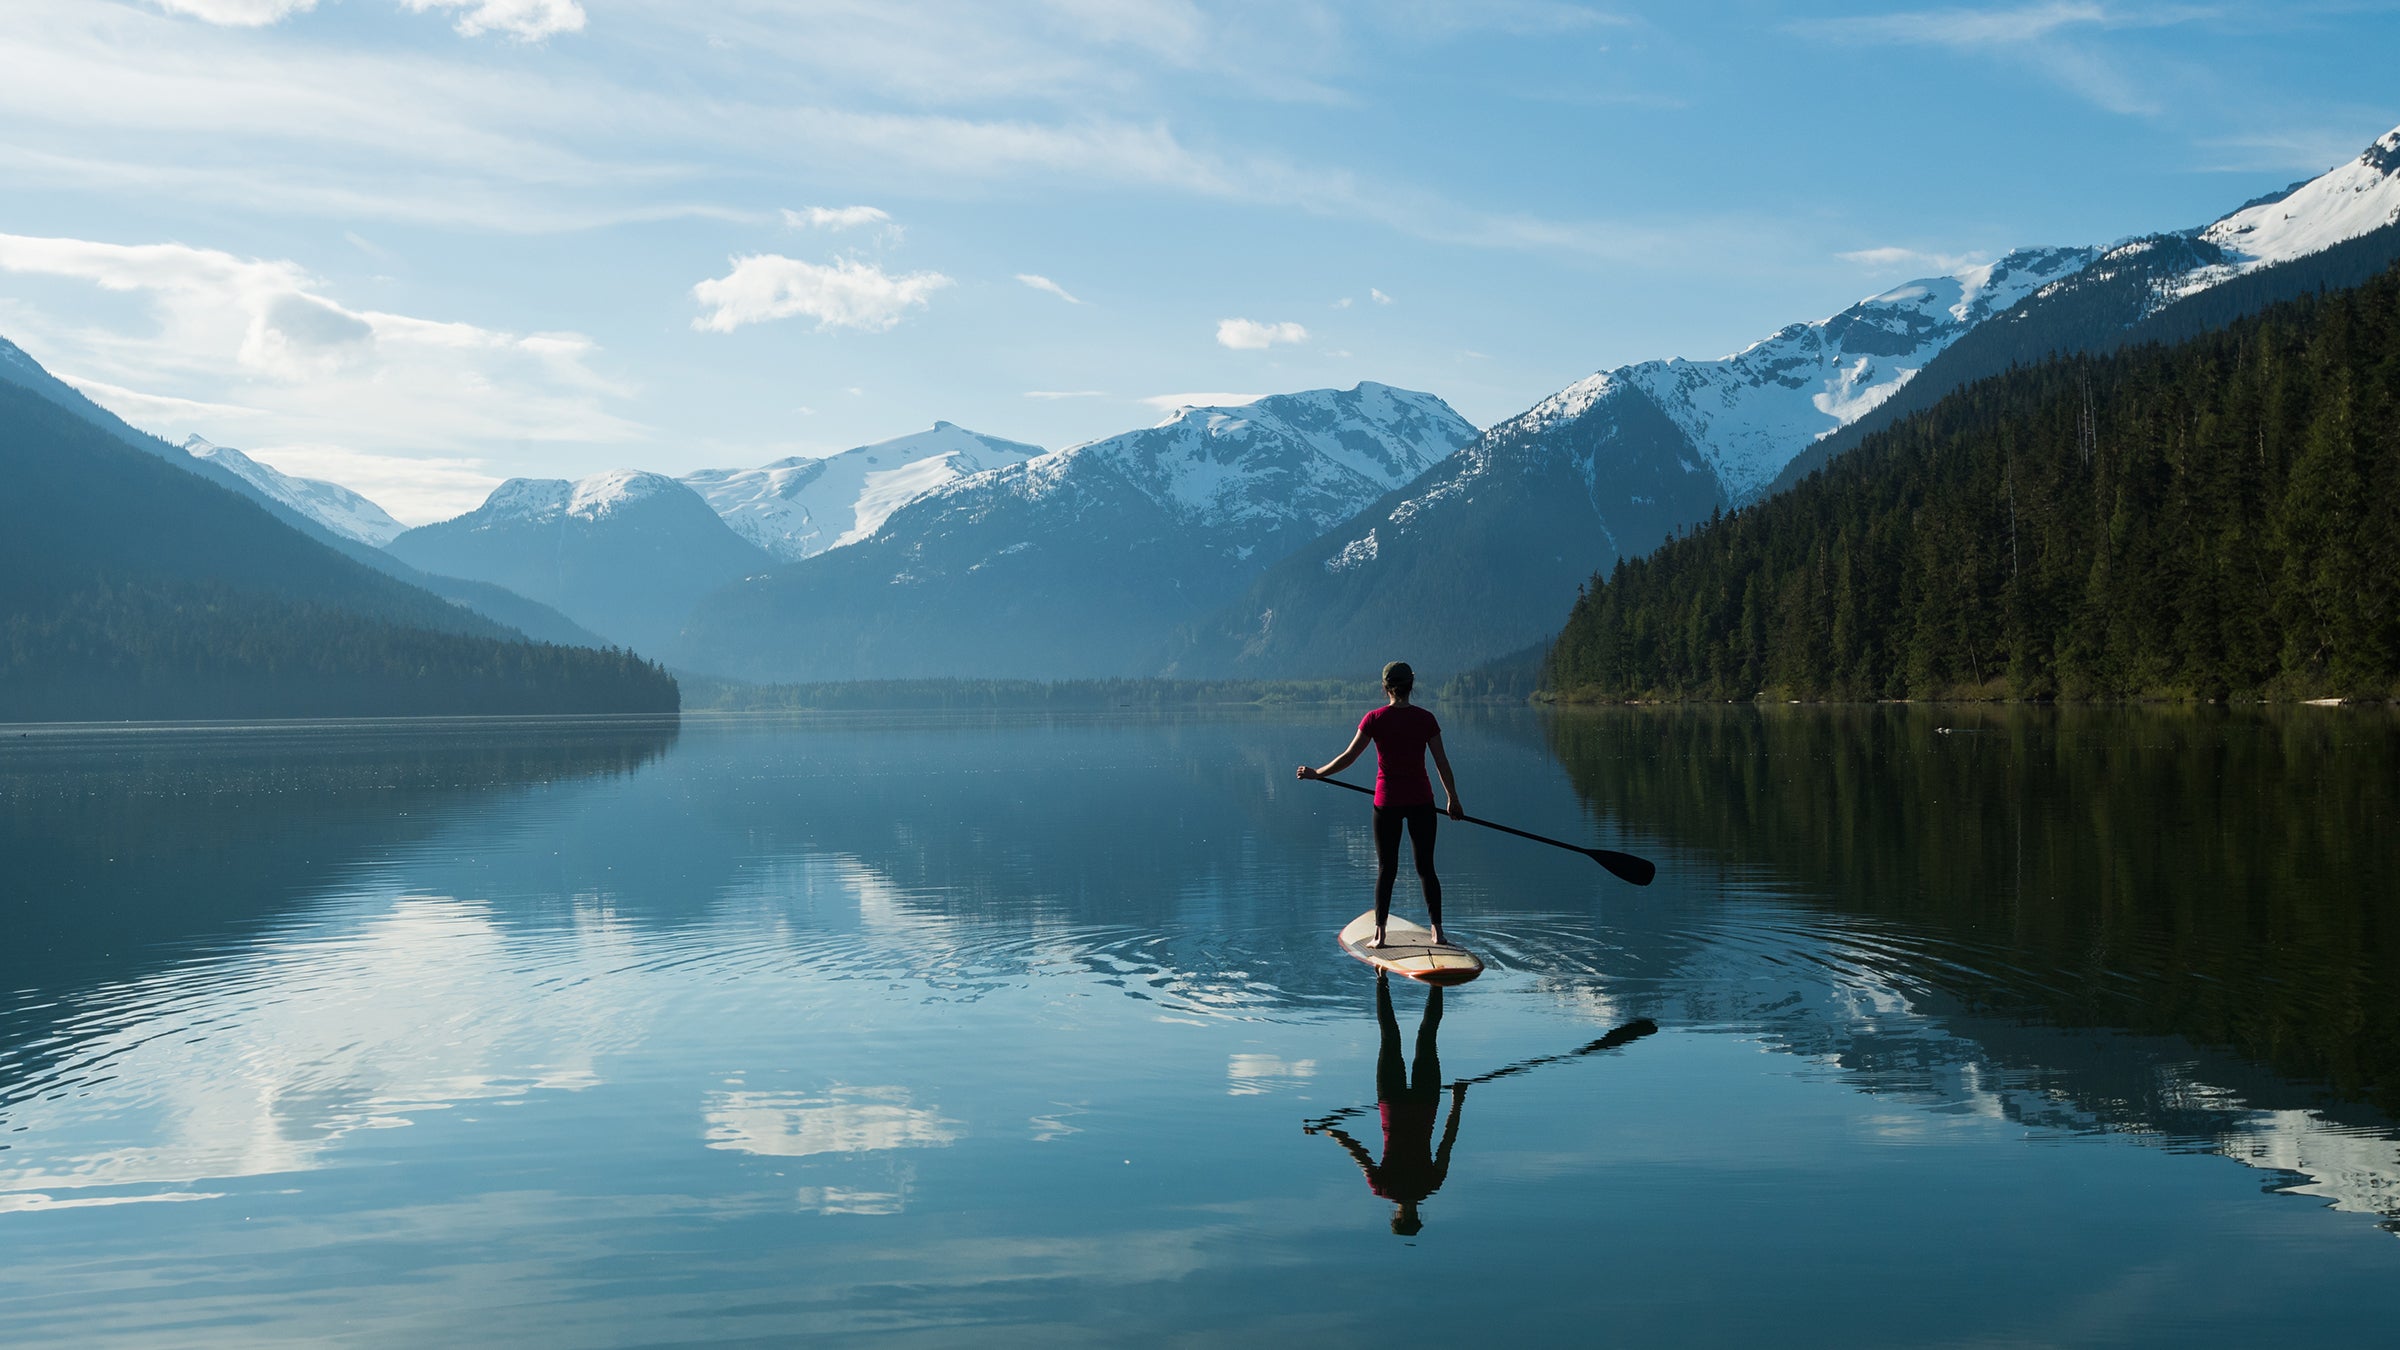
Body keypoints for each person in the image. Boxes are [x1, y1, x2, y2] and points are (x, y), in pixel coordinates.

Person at [1297, 660, 1462, 947]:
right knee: (1426, 867)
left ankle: (1380, 934)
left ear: (1384, 688)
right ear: (1412, 686)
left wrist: (1317, 774)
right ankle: (1437, 931)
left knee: (1387, 868)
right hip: (1422, 801)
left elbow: (1348, 757)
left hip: (1386, 804)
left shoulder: (1374, 719)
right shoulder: (1426, 719)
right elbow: (1441, 763)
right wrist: (1453, 799)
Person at [1313, 974, 1467, 1237]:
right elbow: (1356, 1150)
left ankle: (1431, 981)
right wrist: (1330, 1131)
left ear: (1408, 1216)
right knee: (1396, 1036)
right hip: (1398, 1102)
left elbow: (1447, 1140)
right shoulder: (1385, 1188)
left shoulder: (1425, 1185)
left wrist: (1457, 1100)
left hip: (1419, 1102)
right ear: (1399, 1216)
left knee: (1423, 1036)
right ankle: (1384, 978)